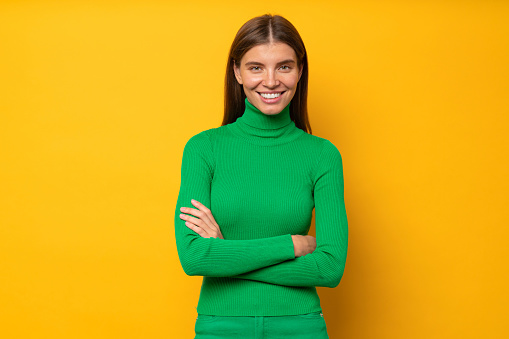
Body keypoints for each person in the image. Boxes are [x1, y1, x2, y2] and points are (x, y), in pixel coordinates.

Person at [174, 13, 348, 339]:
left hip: (300, 325)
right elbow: (195, 257)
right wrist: (292, 244)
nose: (270, 81)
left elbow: (329, 267)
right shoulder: (203, 149)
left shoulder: (323, 155)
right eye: (256, 67)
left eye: (284, 66)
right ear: (237, 72)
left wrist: (228, 254)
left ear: (299, 71)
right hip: (220, 326)